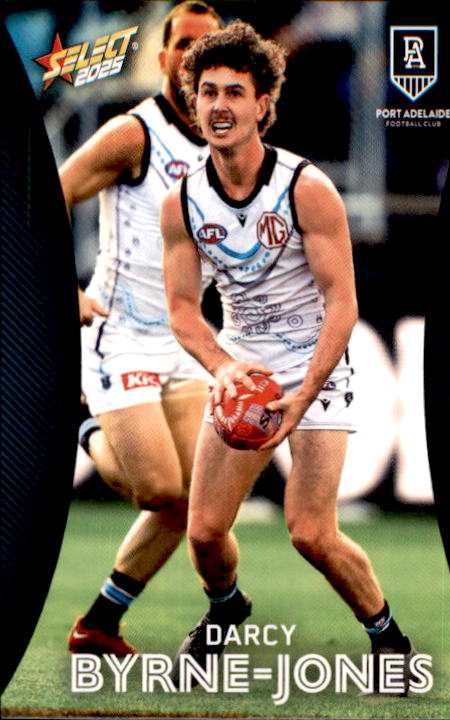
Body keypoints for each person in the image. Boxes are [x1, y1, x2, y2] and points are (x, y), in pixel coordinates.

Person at [161, 20, 416, 694]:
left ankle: (389, 640)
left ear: (263, 104)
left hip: (315, 368)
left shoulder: (306, 188)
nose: (219, 105)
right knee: (204, 534)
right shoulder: (181, 203)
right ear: (192, 102)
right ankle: (226, 608)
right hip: (244, 368)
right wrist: (223, 368)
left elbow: (342, 304)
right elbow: (182, 310)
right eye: (207, 91)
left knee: (309, 532)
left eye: (234, 93)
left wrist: (302, 396)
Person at [60, 0, 223, 656]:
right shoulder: (135, 134)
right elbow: (46, 193)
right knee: (157, 488)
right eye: (182, 45)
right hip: (119, 334)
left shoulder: (229, 143)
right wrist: (60, 289)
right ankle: (84, 425)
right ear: (162, 58)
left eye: (206, 47)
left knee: (192, 503)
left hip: (181, 340)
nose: (192, 57)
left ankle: (99, 624)